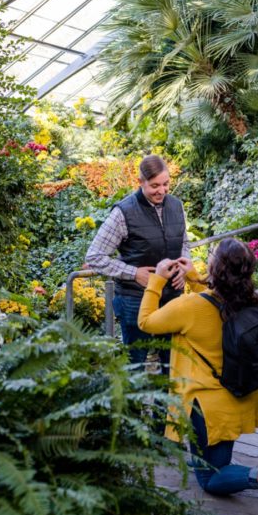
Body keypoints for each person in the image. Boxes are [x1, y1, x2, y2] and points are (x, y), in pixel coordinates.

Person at [137, 238, 258, 511]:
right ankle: (228, 466)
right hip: (240, 393)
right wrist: (196, 278)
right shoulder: (250, 301)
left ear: (217, 268)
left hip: (208, 407)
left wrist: (157, 281)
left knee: (211, 477)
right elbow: (216, 305)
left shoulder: (188, 307)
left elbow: (146, 322)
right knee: (217, 458)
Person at [85, 154, 190, 370]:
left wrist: (183, 266)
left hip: (171, 298)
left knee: (173, 365)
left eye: (166, 184)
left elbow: (184, 242)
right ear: (140, 182)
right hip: (135, 300)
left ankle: (167, 405)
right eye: (154, 185)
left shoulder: (176, 205)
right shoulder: (123, 212)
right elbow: (94, 256)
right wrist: (134, 273)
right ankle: (134, 406)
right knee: (135, 365)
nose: (161, 190)